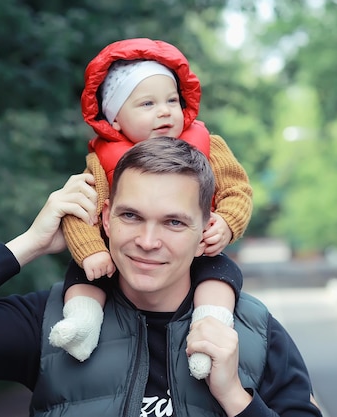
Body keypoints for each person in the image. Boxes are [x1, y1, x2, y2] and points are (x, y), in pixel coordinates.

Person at [0, 137, 322, 417]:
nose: (148, 241)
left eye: (173, 222)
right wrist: (29, 244)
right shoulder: (54, 321)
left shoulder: (255, 330)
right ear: (105, 219)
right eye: (132, 216)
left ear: (205, 227)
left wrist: (234, 398)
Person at [52, 38, 253, 379]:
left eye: (172, 100)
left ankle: (209, 328)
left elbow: (238, 189)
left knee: (221, 275)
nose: (164, 111)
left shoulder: (207, 145)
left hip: (197, 249)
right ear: (115, 120)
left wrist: (227, 223)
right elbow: (78, 212)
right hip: (116, 257)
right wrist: (91, 252)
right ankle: (83, 321)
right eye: (147, 103)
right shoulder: (101, 163)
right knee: (81, 275)